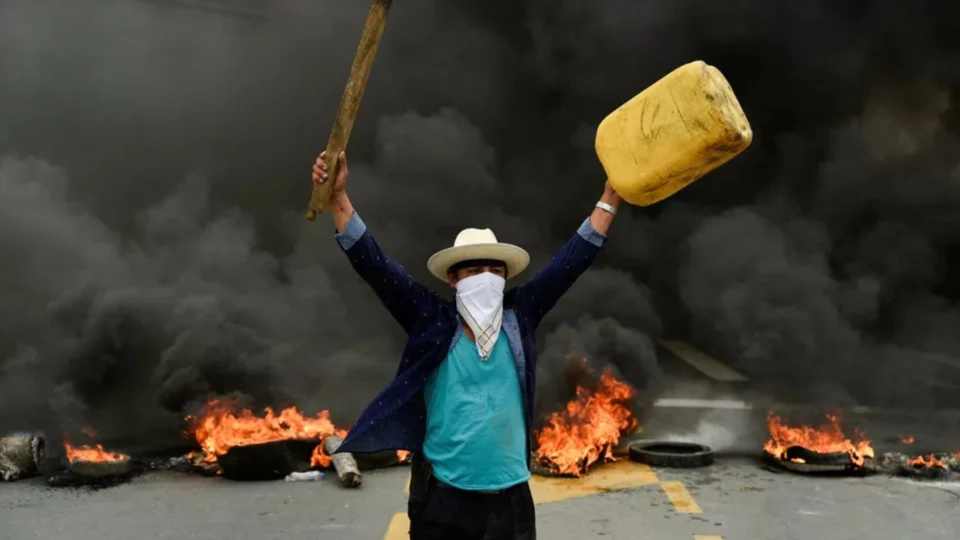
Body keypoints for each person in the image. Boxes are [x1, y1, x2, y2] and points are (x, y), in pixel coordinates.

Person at [312, 150, 622, 540]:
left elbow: (570, 263)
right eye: (475, 270)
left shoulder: (520, 315)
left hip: (511, 502)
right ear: (454, 280)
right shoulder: (432, 320)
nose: (487, 279)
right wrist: (338, 197)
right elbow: (375, 266)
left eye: (495, 270)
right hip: (444, 505)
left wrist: (609, 198)